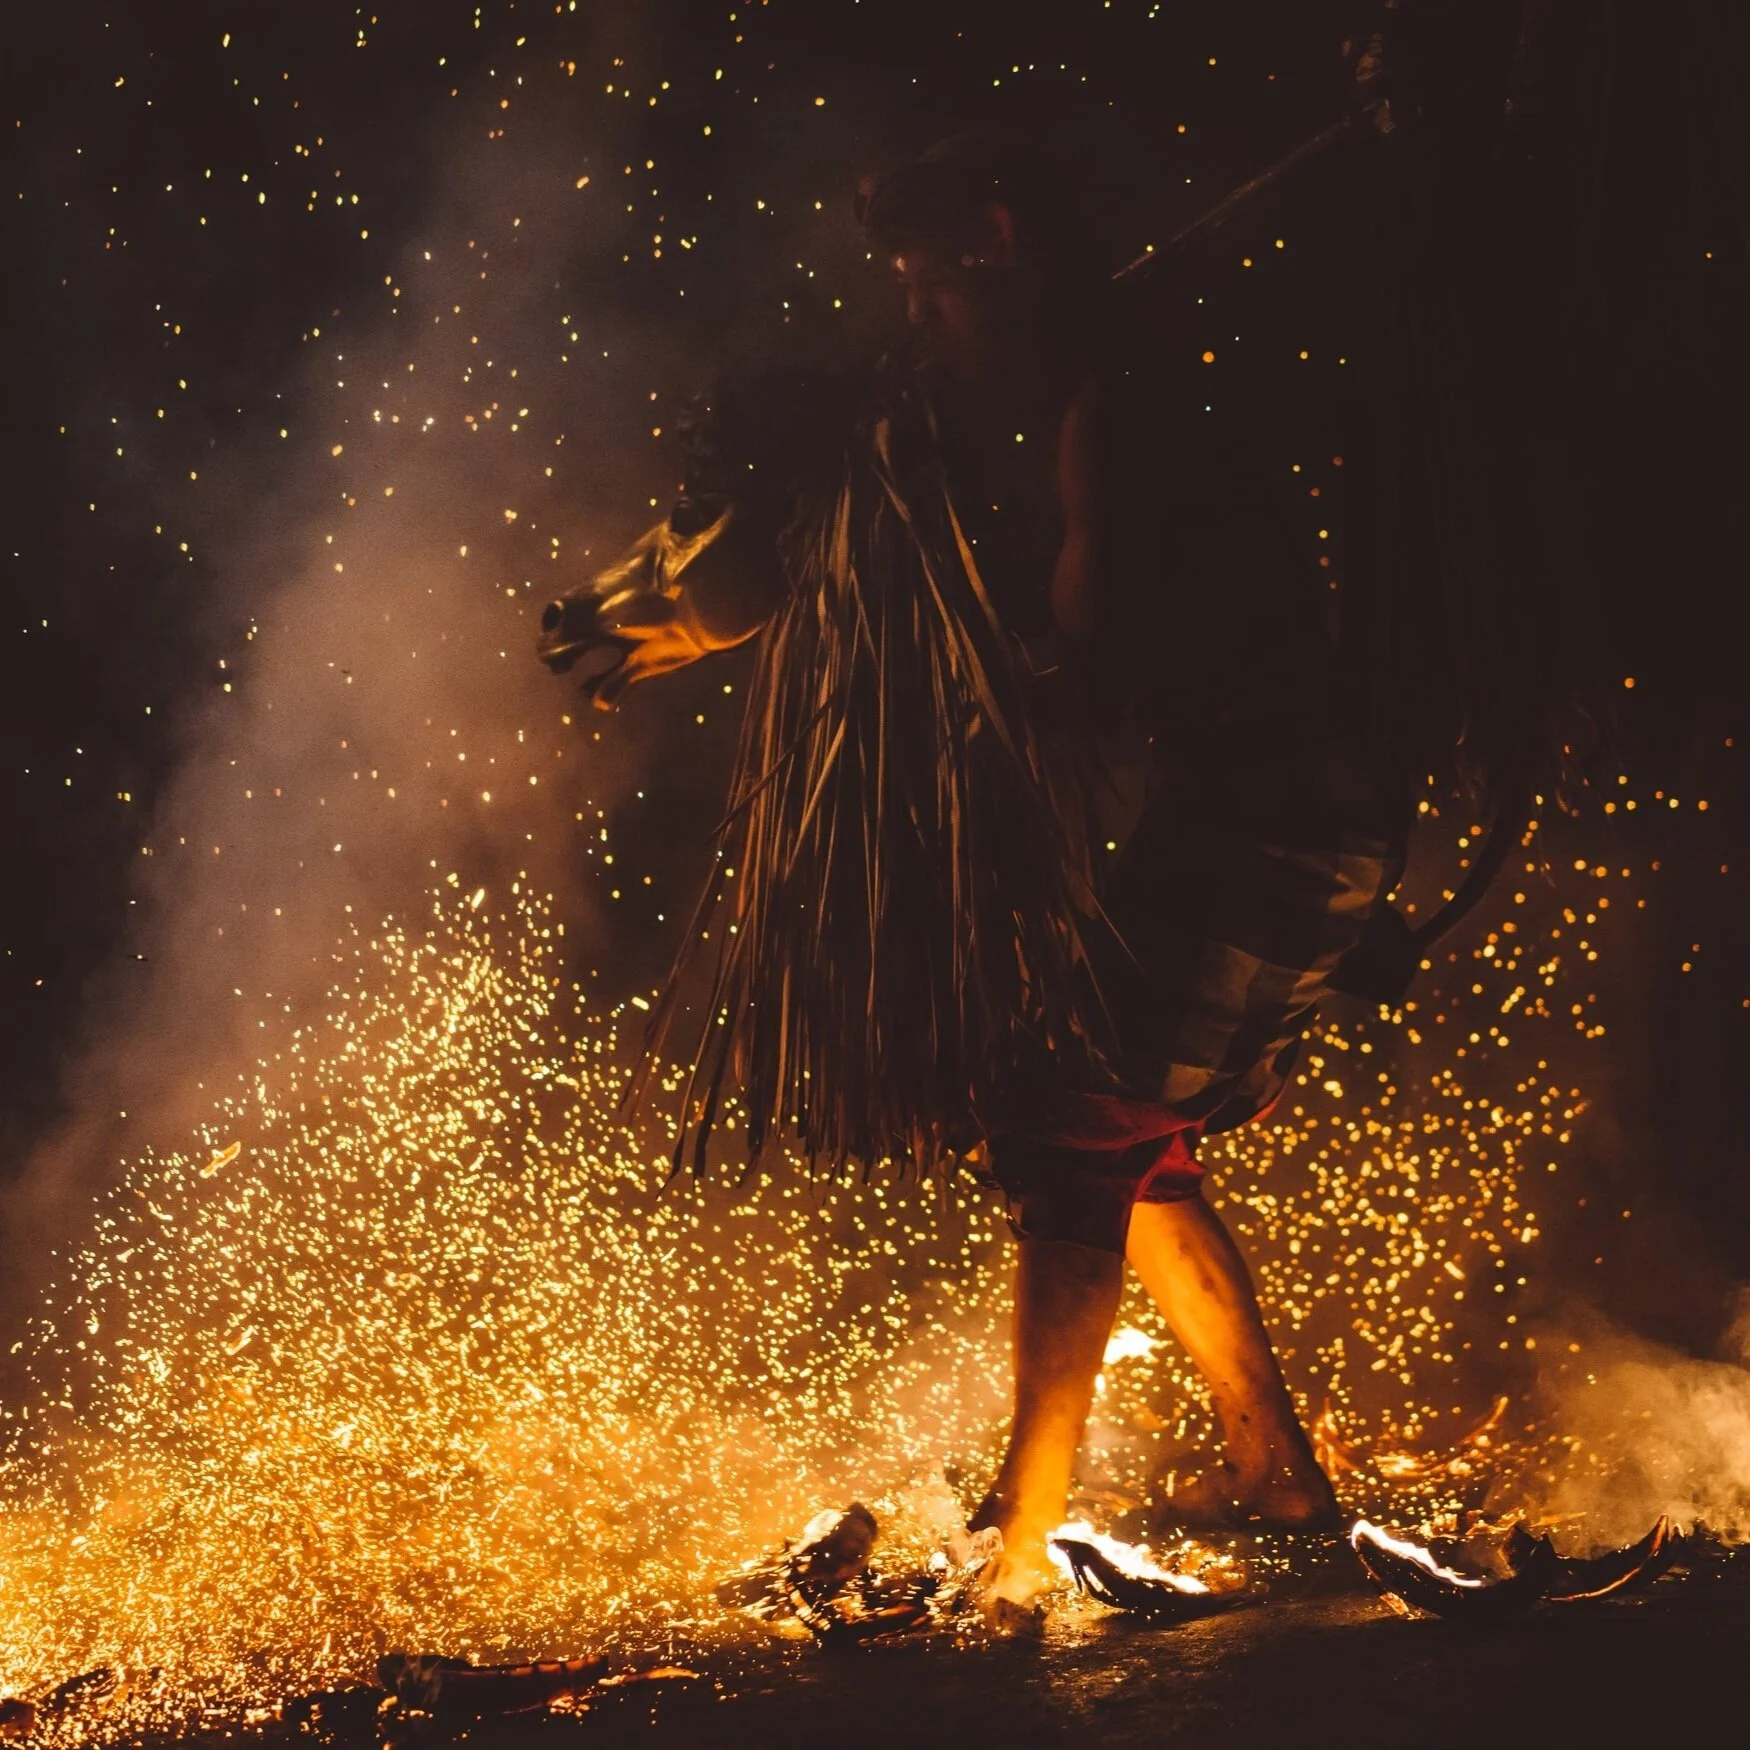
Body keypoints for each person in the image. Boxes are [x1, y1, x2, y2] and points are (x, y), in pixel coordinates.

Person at [540, 134, 1404, 1604]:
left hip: (1286, 810)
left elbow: (1098, 650)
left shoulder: (1116, 415)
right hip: (1269, 803)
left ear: (997, 245)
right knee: (1135, 1145)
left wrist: (972, 665)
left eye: (926, 286)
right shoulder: (1092, 399)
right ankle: (1275, 1471)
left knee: (1071, 1123)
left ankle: (1025, 1534)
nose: (915, 318)